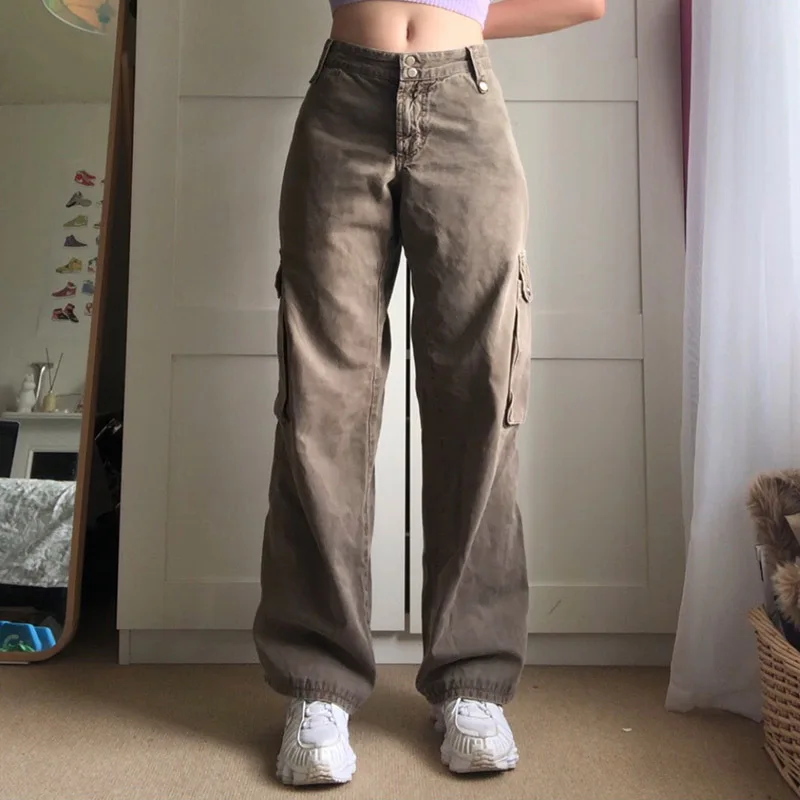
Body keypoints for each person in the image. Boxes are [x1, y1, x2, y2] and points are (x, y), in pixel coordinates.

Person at [254, 0, 605, 785]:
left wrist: (465, 10)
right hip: (343, 96)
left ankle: (471, 682)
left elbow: (586, 2)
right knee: (321, 401)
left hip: (465, 105)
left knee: (480, 394)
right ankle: (318, 685)